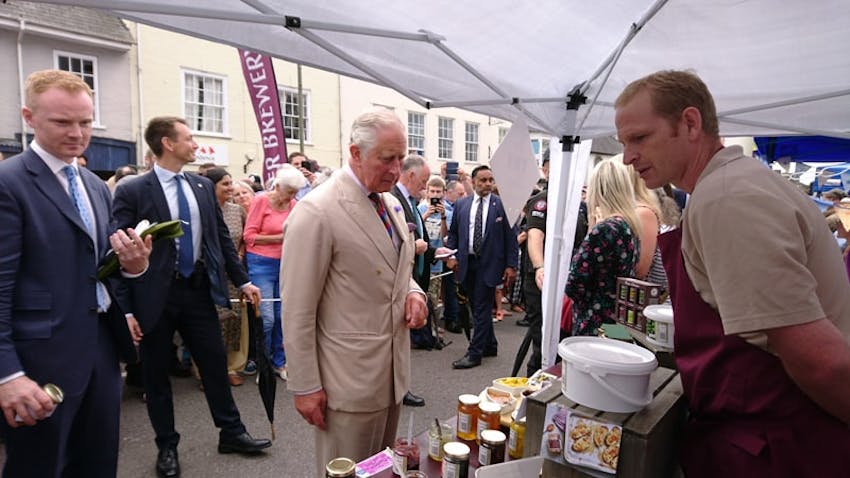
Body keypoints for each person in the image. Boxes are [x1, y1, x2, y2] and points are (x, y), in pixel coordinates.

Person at [615, 69, 850, 475]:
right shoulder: (725, 187)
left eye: (639, 138)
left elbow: (819, 360)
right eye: (623, 143)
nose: (627, 156)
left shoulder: (727, 197)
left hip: (779, 449)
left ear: (690, 123)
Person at [0, 69, 151, 476]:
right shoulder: (8, 183)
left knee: (97, 463)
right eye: (62, 122)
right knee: (39, 467)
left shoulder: (94, 184)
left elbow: (98, 269)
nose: (78, 133)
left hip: (101, 349)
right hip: (39, 358)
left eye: (85, 122)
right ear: (28, 117)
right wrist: (7, 373)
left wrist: (133, 267)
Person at [113, 116, 271, 478]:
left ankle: (231, 432)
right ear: (167, 143)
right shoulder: (134, 190)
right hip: (153, 295)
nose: (195, 144)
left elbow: (219, 240)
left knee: (214, 363)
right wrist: (125, 308)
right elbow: (117, 249)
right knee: (156, 374)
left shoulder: (201, 186)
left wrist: (242, 280)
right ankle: (167, 446)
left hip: (197, 290)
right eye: (188, 138)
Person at [280, 109, 428, 475]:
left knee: (380, 470)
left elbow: (398, 268)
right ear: (355, 153)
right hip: (347, 384)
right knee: (347, 472)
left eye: (400, 157)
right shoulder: (317, 211)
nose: (396, 170)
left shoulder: (390, 203)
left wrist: (414, 293)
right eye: (386, 158)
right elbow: (297, 309)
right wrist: (305, 386)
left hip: (390, 375)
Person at [446, 165, 519, 369]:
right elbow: (453, 235)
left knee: (480, 307)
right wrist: (450, 256)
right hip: (466, 264)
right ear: (474, 181)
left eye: (490, 180)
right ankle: (490, 344)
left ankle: (474, 353)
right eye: (483, 180)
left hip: (490, 265)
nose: (488, 184)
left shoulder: (502, 206)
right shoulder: (462, 205)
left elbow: (511, 238)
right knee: (478, 306)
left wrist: (512, 265)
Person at [243, 164, 307, 380]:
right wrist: (279, 238)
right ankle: (263, 361)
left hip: (286, 263)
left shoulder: (294, 204)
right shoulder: (261, 201)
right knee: (267, 317)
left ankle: (280, 362)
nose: (291, 197)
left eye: (295, 193)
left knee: (282, 317)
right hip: (260, 262)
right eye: (289, 192)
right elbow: (249, 236)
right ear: (277, 186)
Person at [565, 158, 640, 337]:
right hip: (617, 326)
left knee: (591, 365)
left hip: (593, 326)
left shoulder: (604, 229)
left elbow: (574, 284)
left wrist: (591, 232)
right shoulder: (630, 225)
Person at [205, 167, 249, 386]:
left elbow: (245, 237)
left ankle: (231, 367)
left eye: (231, 183)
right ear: (211, 187)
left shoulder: (237, 211)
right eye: (225, 184)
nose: (230, 188)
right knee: (211, 322)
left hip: (233, 274)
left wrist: (239, 255)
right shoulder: (203, 210)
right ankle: (208, 371)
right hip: (210, 273)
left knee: (233, 320)